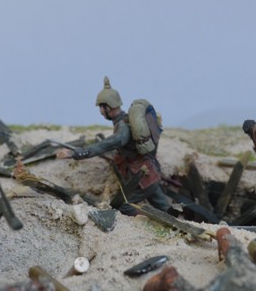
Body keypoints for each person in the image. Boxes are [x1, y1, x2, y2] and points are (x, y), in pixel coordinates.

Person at [56, 76, 172, 215]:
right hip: (150, 173)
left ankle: (154, 220)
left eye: (101, 107)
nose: (100, 111)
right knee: (165, 207)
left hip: (143, 178)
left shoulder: (123, 130)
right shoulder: (125, 122)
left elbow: (102, 146)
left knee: (123, 206)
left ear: (107, 107)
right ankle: (180, 219)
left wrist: (74, 153)